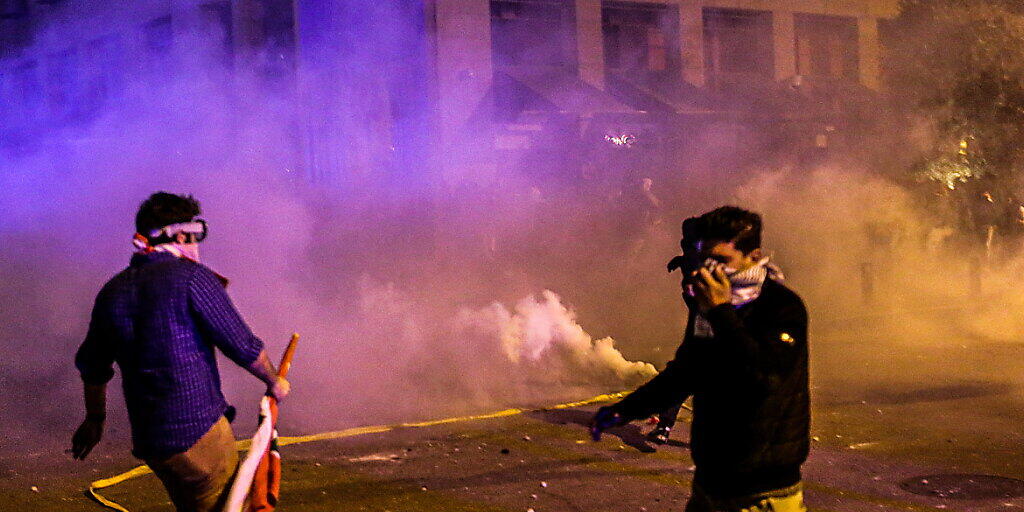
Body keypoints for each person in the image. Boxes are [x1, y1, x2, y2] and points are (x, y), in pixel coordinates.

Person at [71, 192, 290, 512]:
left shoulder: (113, 292)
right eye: (195, 235)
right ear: (181, 234)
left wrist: (95, 419)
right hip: (198, 433)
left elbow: (92, 365)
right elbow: (241, 344)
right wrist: (275, 382)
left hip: (153, 443)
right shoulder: (192, 278)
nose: (196, 244)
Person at [591, 206, 809, 512]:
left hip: (763, 489)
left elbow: (766, 377)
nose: (710, 270)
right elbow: (686, 371)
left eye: (722, 260)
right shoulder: (707, 306)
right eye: (705, 258)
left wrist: (721, 312)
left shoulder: (780, 306)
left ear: (754, 256)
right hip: (712, 480)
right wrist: (625, 410)